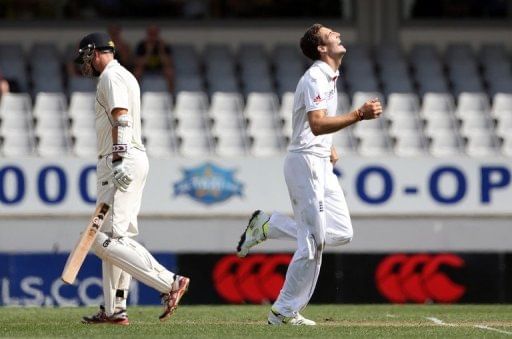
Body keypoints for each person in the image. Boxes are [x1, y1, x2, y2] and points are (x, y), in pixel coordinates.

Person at [236, 24, 382, 326]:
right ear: (321, 48)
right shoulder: (316, 77)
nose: (338, 35)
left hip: (318, 161)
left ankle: (269, 224)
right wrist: (358, 115)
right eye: (331, 35)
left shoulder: (328, 77)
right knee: (312, 244)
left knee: (341, 232)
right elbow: (316, 123)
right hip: (305, 164)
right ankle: (283, 311)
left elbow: (314, 126)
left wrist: (328, 146)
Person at [74, 32, 189, 325]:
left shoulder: (110, 78)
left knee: (102, 239)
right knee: (118, 237)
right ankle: (114, 309)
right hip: (131, 158)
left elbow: (121, 117)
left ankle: (169, 283)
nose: (85, 62)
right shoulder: (126, 75)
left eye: (86, 55)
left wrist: (119, 157)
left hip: (120, 159)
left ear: (96, 52)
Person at [133, 25, 175, 92]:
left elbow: (168, 62)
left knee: (170, 71)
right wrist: (148, 51)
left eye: (154, 34)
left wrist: (162, 50)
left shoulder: (163, 45)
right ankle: (135, 94)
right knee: (137, 71)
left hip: (160, 67)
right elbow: (139, 62)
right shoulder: (142, 45)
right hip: (146, 67)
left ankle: (171, 94)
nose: (153, 36)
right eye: (151, 33)